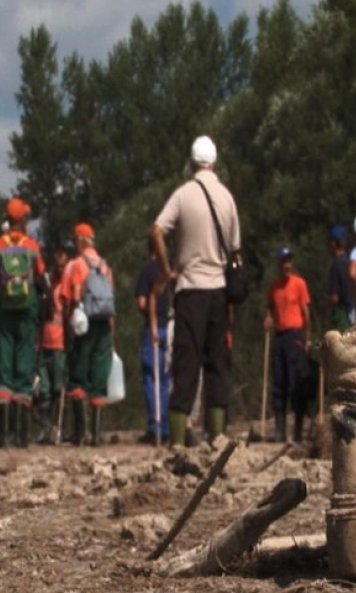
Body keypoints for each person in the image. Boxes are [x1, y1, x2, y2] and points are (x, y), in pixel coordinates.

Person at [150, 135, 241, 447]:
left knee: (186, 364)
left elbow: (157, 231)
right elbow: (236, 250)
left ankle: (177, 441)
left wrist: (167, 271)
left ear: (191, 164)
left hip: (189, 289)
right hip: (218, 289)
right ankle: (217, 437)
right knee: (217, 364)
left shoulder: (183, 194)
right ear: (215, 162)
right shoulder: (227, 198)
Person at [0, 197, 46, 448]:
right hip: (26, 314)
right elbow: (41, 275)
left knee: (3, 372)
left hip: (4, 313)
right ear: (21, 219)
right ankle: (22, 436)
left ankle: (2, 435)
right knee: (24, 370)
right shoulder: (32, 246)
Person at [62, 223, 115, 446]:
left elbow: (69, 298)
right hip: (104, 326)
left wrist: (67, 328)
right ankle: (96, 434)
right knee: (99, 379)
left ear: (81, 241)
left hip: (83, 326)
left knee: (78, 378)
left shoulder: (76, 265)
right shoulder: (105, 266)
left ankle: (80, 434)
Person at [264, 247, 312, 442]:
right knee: (279, 382)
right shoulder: (274, 286)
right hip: (280, 335)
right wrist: (268, 318)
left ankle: (298, 430)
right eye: (283, 261)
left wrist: (307, 338)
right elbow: (269, 307)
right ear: (279, 264)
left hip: (295, 335)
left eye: (289, 261)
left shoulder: (299, 283)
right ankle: (280, 430)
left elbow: (306, 313)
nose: (286, 265)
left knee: (296, 383)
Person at [135, 238, 172, 444]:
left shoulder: (147, 270)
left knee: (151, 378)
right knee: (166, 378)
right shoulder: (169, 271)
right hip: (171, 327)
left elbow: (141, 302)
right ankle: (166, 427)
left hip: (154, 328)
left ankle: (154, 426)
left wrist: (148, 311)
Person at [36, 242, 70, 444]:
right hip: (44, 342)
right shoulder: (47, 286)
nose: (59, 267)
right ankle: (45, 427)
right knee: (45, 390)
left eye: (62, 263)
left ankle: (59, 428)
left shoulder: (67, 288)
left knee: (59, 389)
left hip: (60, 344)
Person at [326, 225, 352, 333]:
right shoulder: (351, 262)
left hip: (342, 316)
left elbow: (334, 298)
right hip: (355, 313)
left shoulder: (336, 265)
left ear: (334, 243)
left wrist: (325, 305)